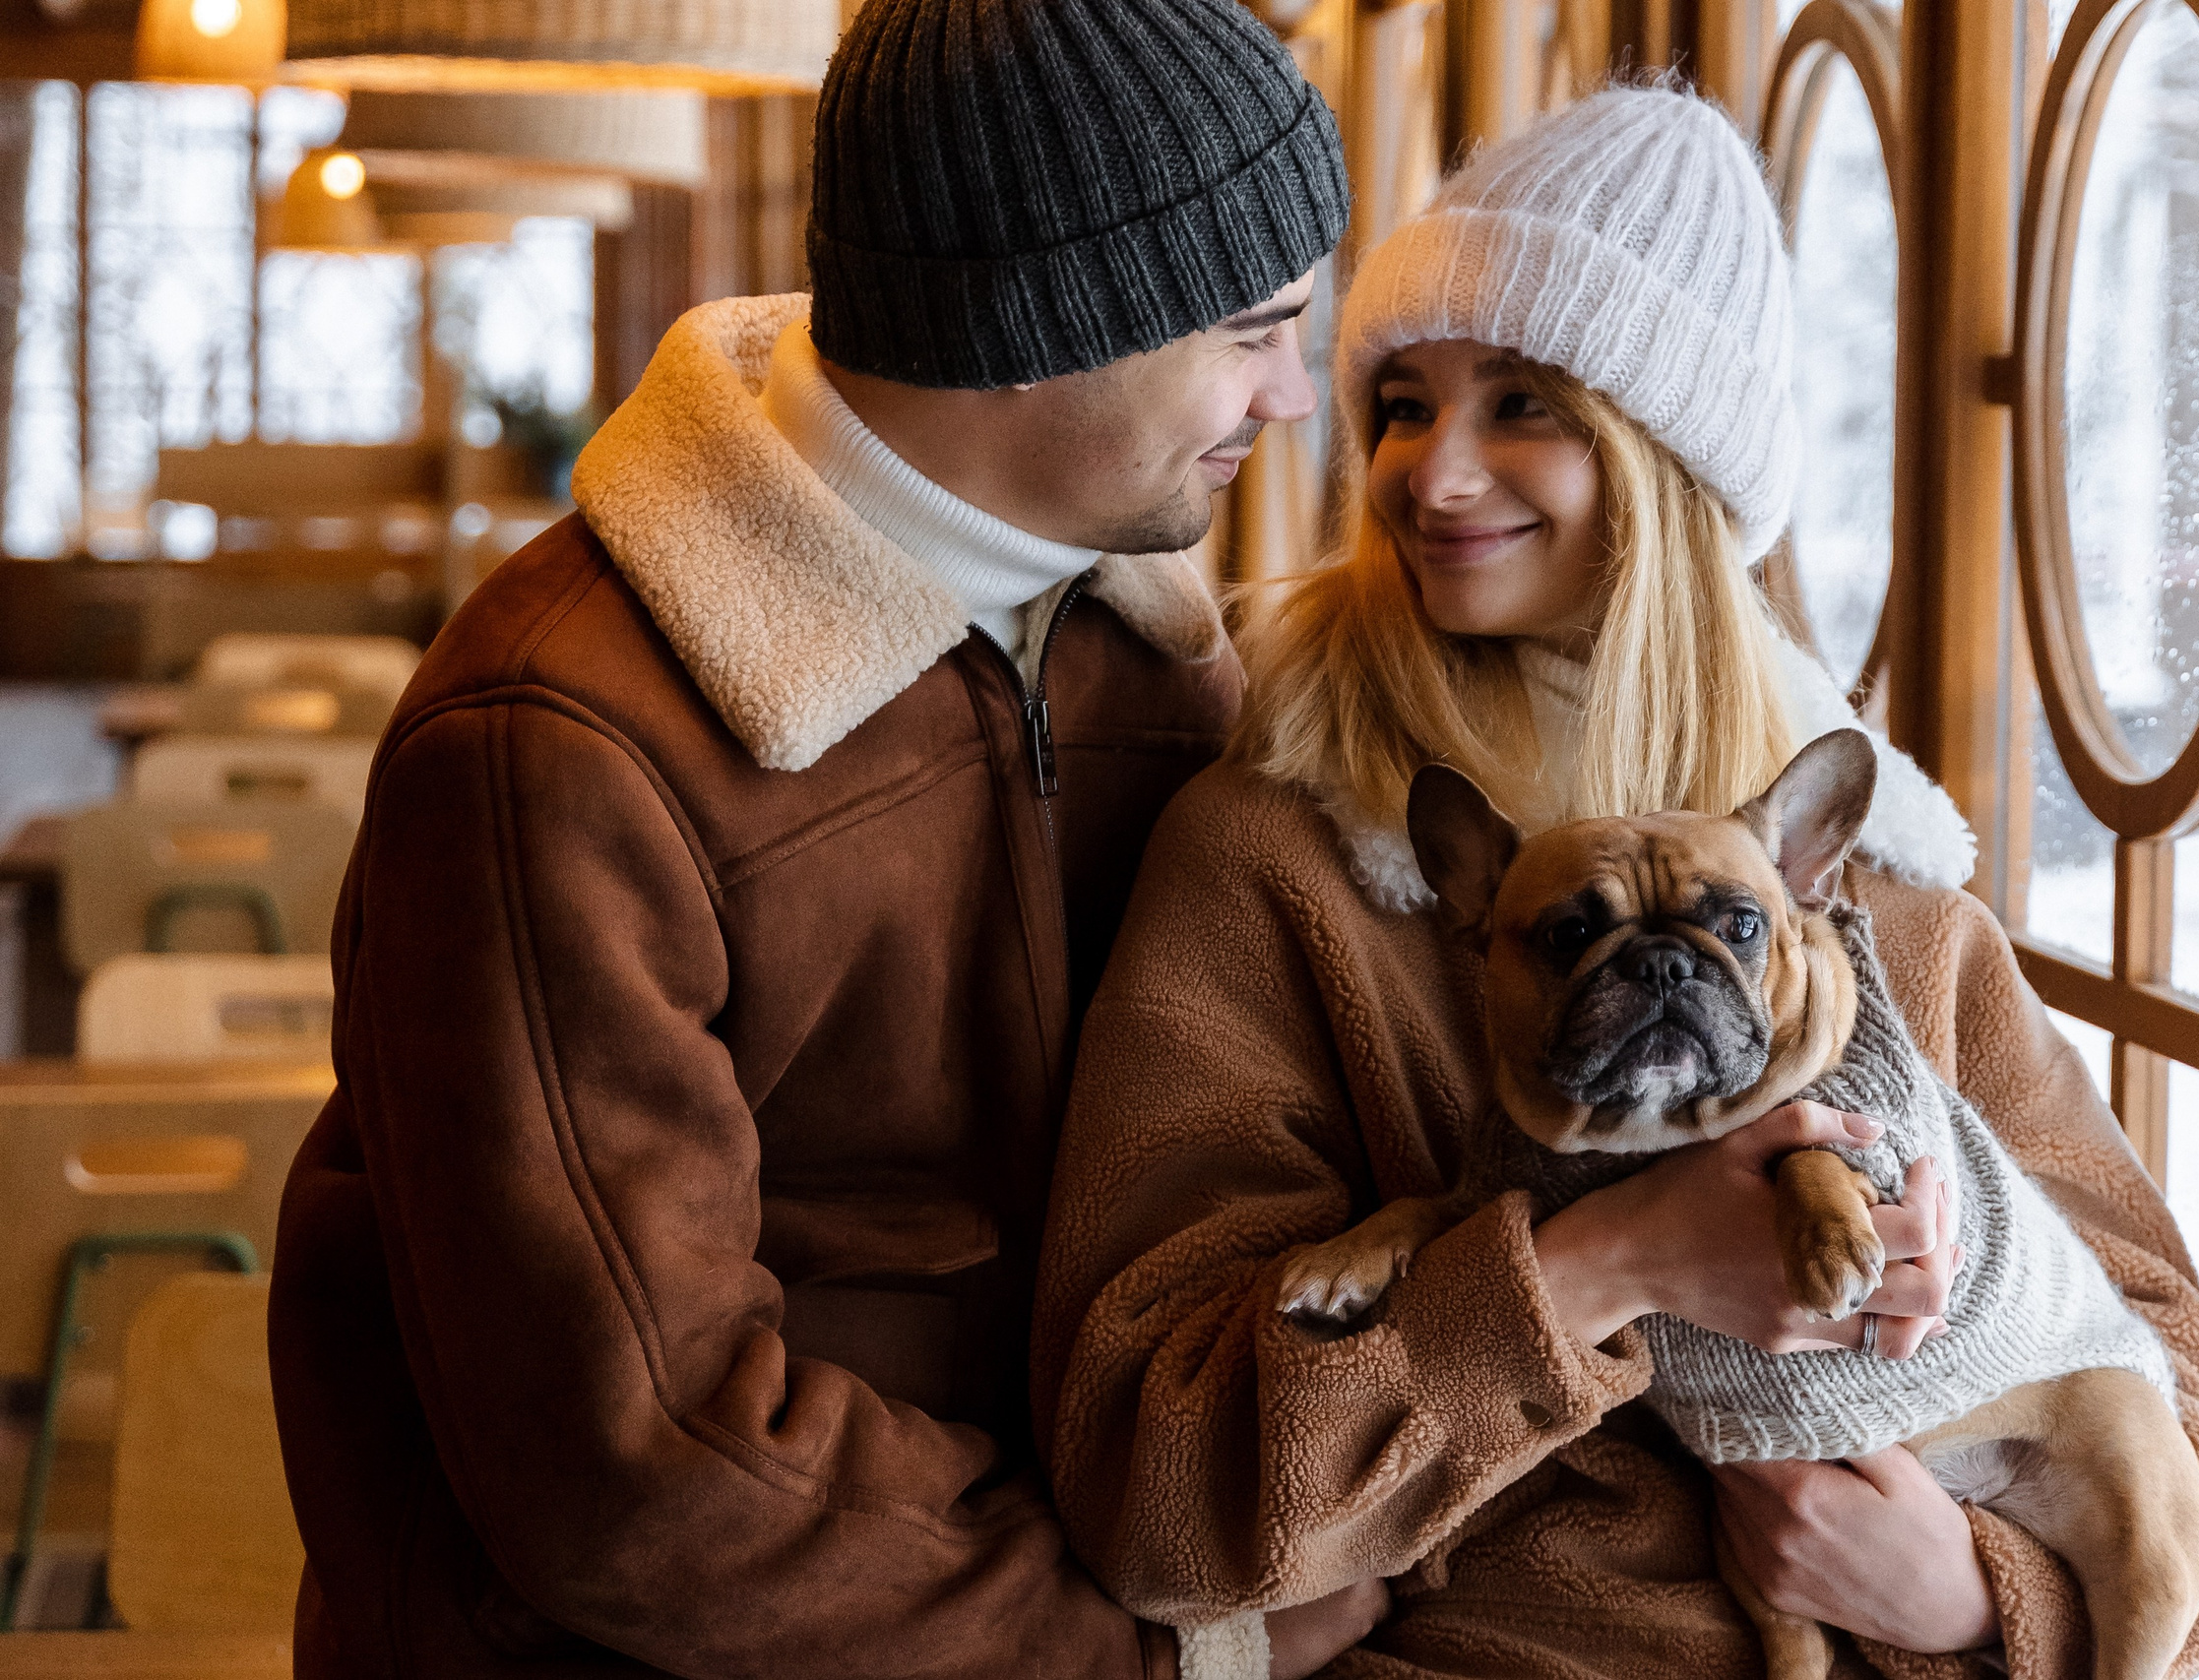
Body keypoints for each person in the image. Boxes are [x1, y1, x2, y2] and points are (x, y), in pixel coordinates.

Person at [1036, 85, 2199, 1678]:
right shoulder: (1284, 855)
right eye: (1404, 405)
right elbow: (1152, 1483)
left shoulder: (1871, 881)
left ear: (1670, 459)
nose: (1436, 476)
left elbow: (2192, 1416)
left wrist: (1972, 1599)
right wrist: (1600, 1265)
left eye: (1524, 405)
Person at [264, 2, 1386, 1674]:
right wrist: (1170, 1652)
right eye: (1253, 330)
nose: (1294, 399)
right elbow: (640, 1469)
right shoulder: (555, 741)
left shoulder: (1152, 654)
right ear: (1038, 324)